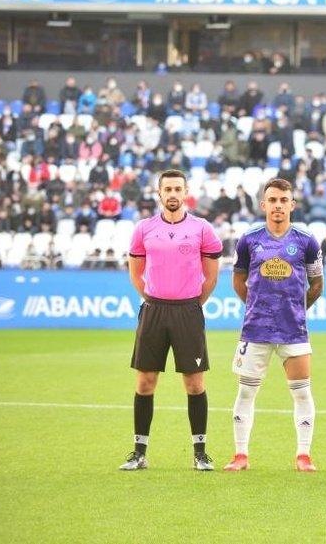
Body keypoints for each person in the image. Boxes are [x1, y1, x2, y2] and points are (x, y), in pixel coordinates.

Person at [120, 169, 223, 471]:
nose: (174, 194)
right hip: (153, 310)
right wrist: (154, 297)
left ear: (186, 191)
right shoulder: (143, 228)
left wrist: (191, 304)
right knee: (145, 381)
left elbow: (212, 277)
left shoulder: (202, 229)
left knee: (193, 383)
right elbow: (136, 274)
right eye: (168, 189)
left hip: (188, 311)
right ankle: (139, 453)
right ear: (160, 193)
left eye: (178, 188)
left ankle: (200, 453)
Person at [223, 178, 324, 472]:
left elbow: (317, 284)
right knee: (246, 392)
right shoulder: (249, 240)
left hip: (293, 329)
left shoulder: (307, 241)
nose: (278, 205)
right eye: (273, 200)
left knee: (302, 392)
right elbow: (238, 281)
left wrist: (295, 309)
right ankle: (241, 455)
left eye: (283, 200)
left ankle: (303, 455)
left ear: (292, 205)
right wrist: (259, 307)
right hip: (256, 329)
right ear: (263, 204)